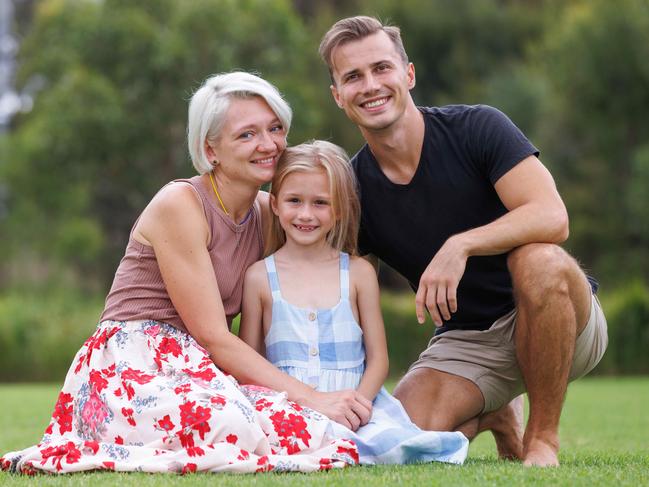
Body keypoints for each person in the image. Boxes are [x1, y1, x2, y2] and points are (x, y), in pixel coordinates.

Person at [0, 72, 371, 475]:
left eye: (275, 128)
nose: (268, 145)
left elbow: (320, 259)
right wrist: (314, 395)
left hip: (198, 367)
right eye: (246, 135)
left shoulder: (270, 211)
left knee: (307, 429)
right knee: (233, 425)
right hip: (132, 360)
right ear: (211, 149)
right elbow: (214, 336)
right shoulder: (180, 204)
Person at [317, 16, 608, 467]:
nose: (370, 85)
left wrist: (461, 245)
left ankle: (542, 440)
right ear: (338, 96)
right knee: (399, 441)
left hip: (559, 319)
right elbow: (345, 292)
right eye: (353, 77)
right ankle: (497, 414)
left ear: (408, 75)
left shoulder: (477, 128)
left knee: (539, 261)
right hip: (468, 340)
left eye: (381, 68)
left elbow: (553, 216)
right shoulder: (353, 191)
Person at [238, 140, 469, 464]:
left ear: (340, 209)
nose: (306, 214)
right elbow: (250, 365)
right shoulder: (259, 277)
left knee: (392, 445)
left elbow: (378, 361)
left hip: (355, 406)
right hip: (285, 406)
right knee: (278, 443)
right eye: (294, 201)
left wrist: (357, 405)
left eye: (320, 203)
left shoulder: (358, 273)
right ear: (274, 204)